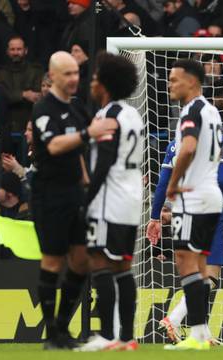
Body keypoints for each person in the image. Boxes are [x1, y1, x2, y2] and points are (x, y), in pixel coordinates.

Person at [31, 51, 116, 350]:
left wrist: (88, 183)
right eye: (67, 74)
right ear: (53, 76)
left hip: (74, 193)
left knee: (81, 261)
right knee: (53, 260)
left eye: (76, 73)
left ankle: (62, 328)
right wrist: (88, 132)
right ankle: (52, 334)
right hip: (49, 194)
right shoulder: (43, 108)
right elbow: (54, 145)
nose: (73, 79)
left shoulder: (78, 108)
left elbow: (79, 153)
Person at [74, 53, 142, 351]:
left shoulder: (107, 117)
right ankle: (126, 337)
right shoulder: (133, 115)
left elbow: (103, 161)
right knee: (122, 268)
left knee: (100, 263)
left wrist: (85, 200)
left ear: (106, 83)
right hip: (130, 200)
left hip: (108, 200)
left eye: (95, 76)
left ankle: (106, 334)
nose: (91, 81)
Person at [149, 136, 223, 345]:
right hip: (209, 209)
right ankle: (174, 318)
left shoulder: (174, 144)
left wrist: (154, 217)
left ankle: (200, 331)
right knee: (209, 274)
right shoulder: (218, 138)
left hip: (182, 210)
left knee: (194, 272)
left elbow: (162, 184)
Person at [162, 59, 223, 351]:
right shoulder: (212, 110)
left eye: (175, 79)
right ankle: (200, 333)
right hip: (211, 194)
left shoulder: (192, 110)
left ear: (192, 82)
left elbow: (188, 147)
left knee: (185, 260)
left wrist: (172, 184)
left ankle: (197, 334)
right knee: (198, 264)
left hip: (193, 195)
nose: (170, 84)